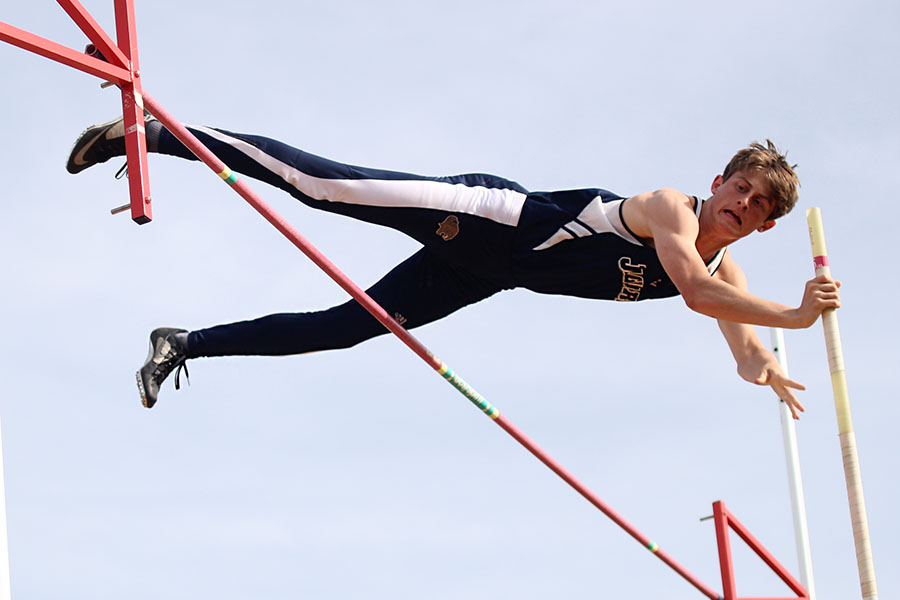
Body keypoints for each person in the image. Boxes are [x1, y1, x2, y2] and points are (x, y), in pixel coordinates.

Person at [66, 115, 841, 414]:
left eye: (755, 207)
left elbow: (741, 342)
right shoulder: (675, 211)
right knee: (322, 188)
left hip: (483, 273)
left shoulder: (727, 271)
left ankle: (186, 342)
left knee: (344, 329)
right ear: (718, 182)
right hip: (486, 217)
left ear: (764, 226)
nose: (739, 204)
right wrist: (796, 316)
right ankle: (152, 134)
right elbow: (702, 298)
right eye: (738, 188)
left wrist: (766, 366)